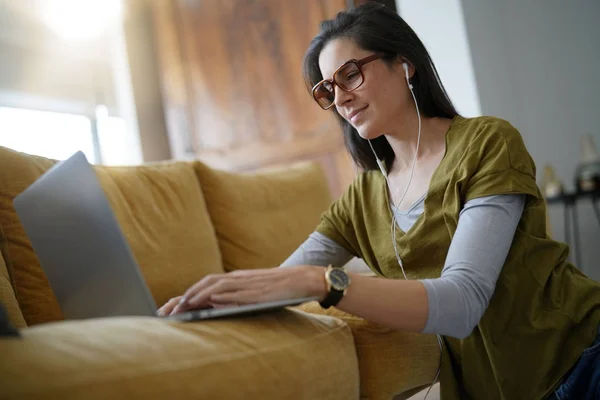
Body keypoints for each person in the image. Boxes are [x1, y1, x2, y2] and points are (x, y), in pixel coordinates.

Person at [157, 3, 600, 399]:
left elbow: (463, 301)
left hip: (579, 361)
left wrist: (326, 283)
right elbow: (285, 279)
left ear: (404, 64)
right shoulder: (363, 196)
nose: (340, 98)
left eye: (350, 74)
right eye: (327, 90)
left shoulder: (487, 143)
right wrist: (203, 306)